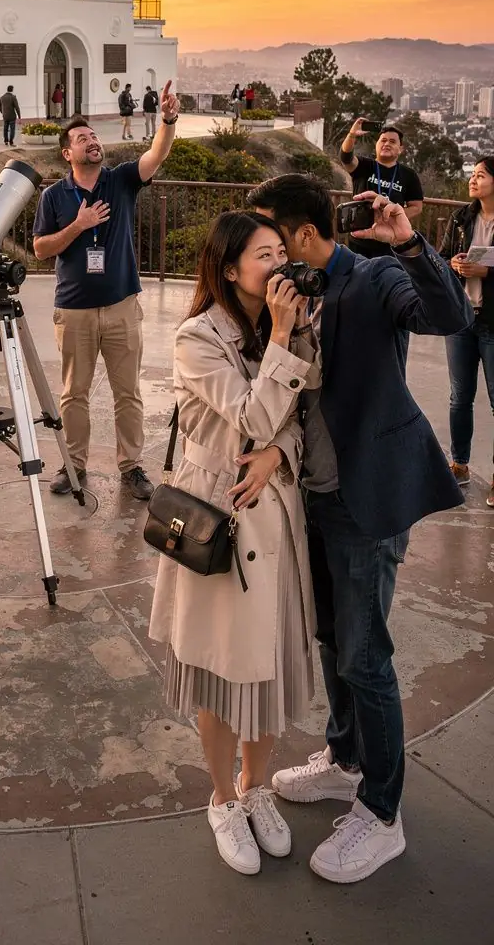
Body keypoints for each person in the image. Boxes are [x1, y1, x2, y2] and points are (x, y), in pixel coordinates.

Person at [245, 173, 471, 883]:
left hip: (365, 498)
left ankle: (382, 813)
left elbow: (446, 316)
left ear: (304, 234)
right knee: (331, 639)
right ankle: (345, 762)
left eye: (272, 239)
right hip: (311, 495)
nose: (268, 253)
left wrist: (412, 248)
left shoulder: (374, 278)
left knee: (365, 658)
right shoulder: (297, 293)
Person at [149, 212, 320, 877]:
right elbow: (248, 414)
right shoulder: (199, 337)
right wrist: (282, 336)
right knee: (221, 670)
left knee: (268, 667)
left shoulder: (292, 325)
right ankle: (222, 798)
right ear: (228, 269)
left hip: (275, 518)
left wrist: (279, 453)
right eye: (264, 255)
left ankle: (256, 789)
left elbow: (295, 421)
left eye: (283, 251)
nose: (279, 266)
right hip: (217, 521)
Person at [32, 80, 180, 500]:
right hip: (75, 310)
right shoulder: (54, 197)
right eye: (82, 139)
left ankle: (131, 468)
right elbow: (41, 249)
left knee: (127, 393)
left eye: (94, 137)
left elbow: (156, 155)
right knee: (73, 394)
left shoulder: (120, 181)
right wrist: (79, 226)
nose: (92, 142)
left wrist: (167, 120)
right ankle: (73, 465)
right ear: (68, 153)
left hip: (121, 306)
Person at [439, 155, 494, 501]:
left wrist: (488, 273)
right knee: (460, 397)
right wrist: (453, 263)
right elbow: (442, 255)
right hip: (461, 318)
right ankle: (459, 464)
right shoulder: (462, 218)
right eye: (472, 175)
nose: (473, 181)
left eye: (481, 175)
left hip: (492, 322)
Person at [340, 120, 423, 258]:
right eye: (383, 140)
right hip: (359, 240)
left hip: (390, 242)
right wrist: (352, 135)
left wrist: (392, 217)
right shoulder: (363, 166)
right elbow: (346, 157)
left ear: (400, 149)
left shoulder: (409, 175)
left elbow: (416, 207)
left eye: (392, 141)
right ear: (376, 145)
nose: (387, 144)